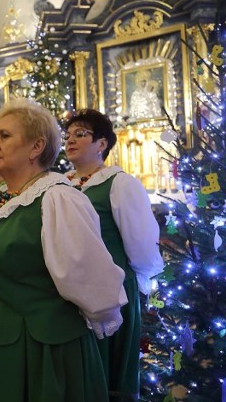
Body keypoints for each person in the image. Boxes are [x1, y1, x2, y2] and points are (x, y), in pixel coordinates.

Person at [0, 99, 128, 402]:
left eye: (5, 136)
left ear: (36, 146)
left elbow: (95, 285)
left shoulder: (57, 199)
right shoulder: (4, 201)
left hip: (42, 350)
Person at [64, 108, 164, 401]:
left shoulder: (120, 183)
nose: (70, 140)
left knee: (108, 376)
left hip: (111, 295)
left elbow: (141, 244)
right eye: (68, 135)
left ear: (102, 144)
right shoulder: (61, 184)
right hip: (69, 294)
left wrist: (138, 285)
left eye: (80, 134)